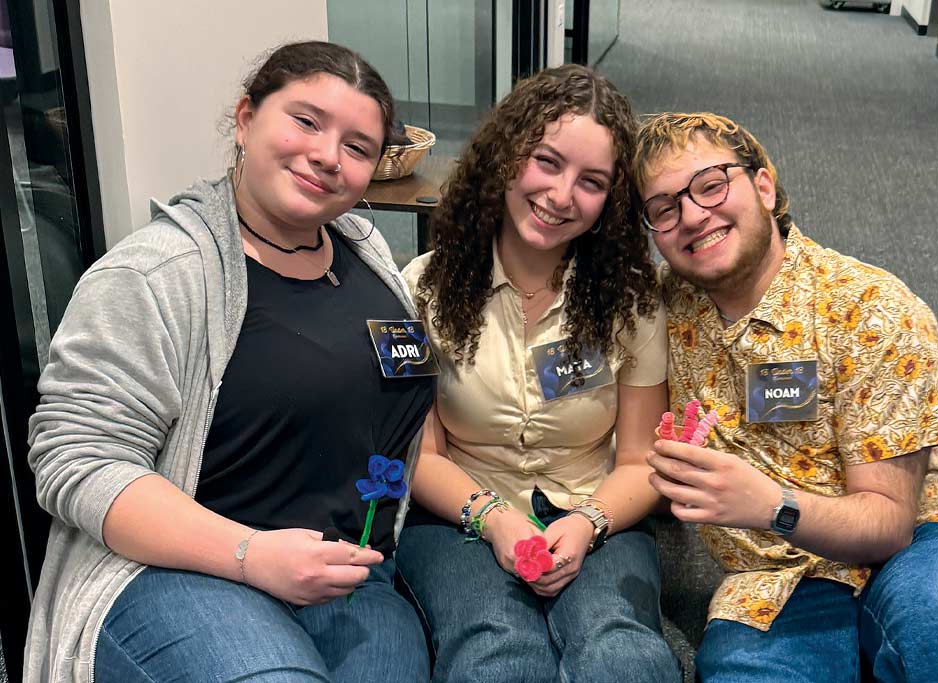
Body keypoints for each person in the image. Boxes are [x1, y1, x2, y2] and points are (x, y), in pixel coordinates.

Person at [25, 41, 434, 682]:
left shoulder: (369, 259)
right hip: (182, 576)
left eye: (357, 147)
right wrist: (251, 554)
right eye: (306, 121)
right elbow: (75, 460)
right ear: (246, 119)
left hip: (349, 582)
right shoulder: (153, 275)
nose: (328, 156)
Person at [637, 112, 938, 682]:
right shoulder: (660, 312)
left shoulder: (873, 310)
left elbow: (890, 522)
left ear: (763, 187)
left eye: (712, 185)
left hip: (904, 552)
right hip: (768, 578)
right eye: (665, 209)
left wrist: (769, 505)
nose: (693, 215)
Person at [395, 64, 680, 682]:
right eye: (547, 162)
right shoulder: (422, 289)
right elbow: (422, 456)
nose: (560, 195)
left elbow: (639, 462)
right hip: (460, 516)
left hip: (597, 509)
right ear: (506, 157)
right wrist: (495, 519)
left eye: (592, 181)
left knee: (622, 651)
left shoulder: (629, 303)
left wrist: (586, 523)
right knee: (496, 653)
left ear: (612, 202)